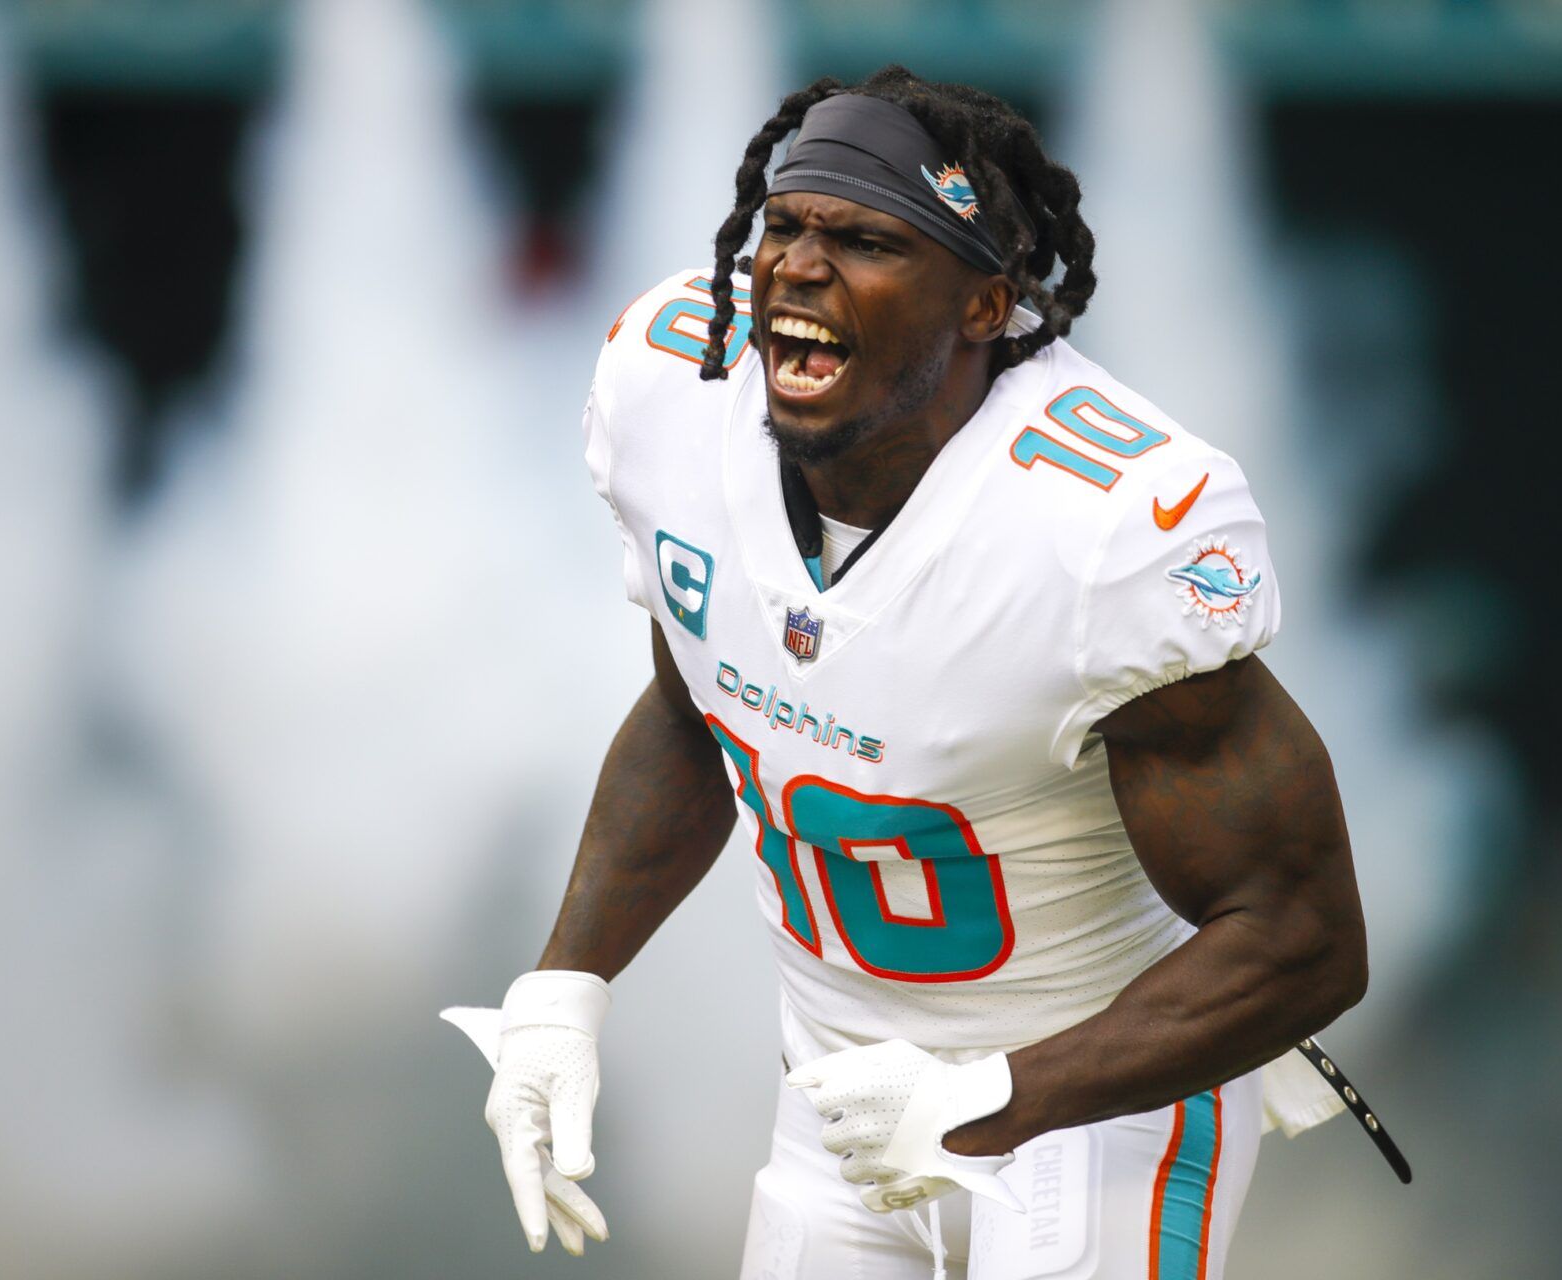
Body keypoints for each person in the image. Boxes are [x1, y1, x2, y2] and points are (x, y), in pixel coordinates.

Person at [443, 65, 1370, 1279]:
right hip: (842, 1098)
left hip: (1100, 1110)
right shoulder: (678, 390)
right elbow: (694, 709)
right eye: (785, 226)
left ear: (985, 305)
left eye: (868, 240)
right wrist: (565, 985)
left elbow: (1304, 936)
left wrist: (986, 1095)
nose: (796, 268)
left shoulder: (1098, 533)